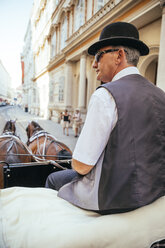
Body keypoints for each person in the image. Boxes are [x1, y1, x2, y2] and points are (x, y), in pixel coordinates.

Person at [45, 22, 165, 215]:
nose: (94, 64)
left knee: (53, 179)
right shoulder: (160, 95)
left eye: (99, 56)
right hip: (154, 191)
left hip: (113, 198)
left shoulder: (105, 95)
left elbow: (82, 166)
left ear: (119, 56)